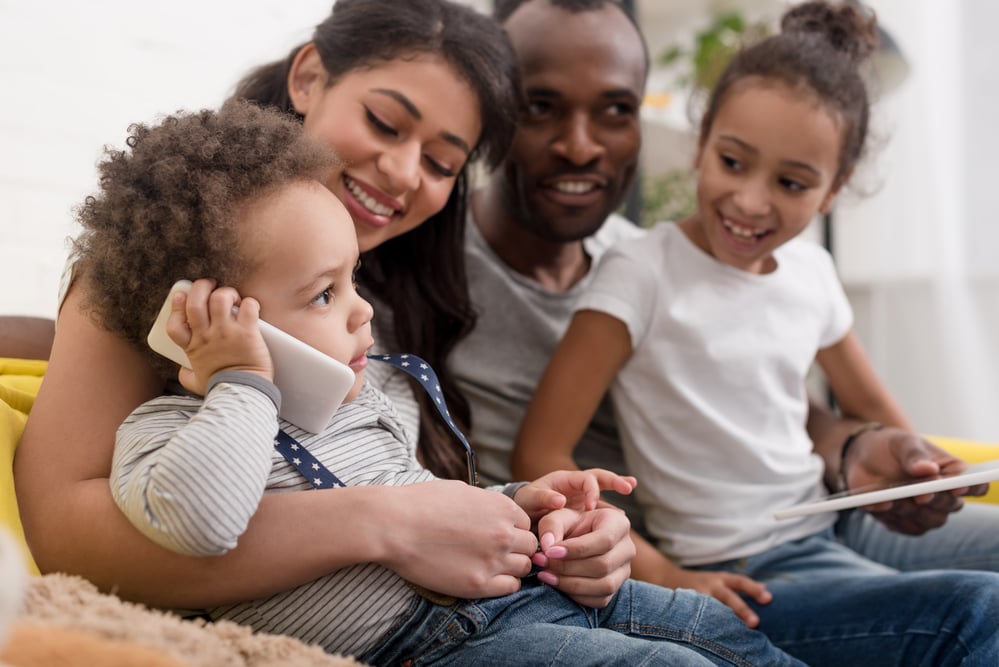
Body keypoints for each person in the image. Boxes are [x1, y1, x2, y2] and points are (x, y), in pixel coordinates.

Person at [78, 101, 804, 666]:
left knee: (709, 630)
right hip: (431, 647)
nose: (363, 308)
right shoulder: (163, 435)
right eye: (324, 294)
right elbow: (203, 520)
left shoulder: (371, 399)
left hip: (525, 601)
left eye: (351, 278)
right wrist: (241, 378)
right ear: (199, 318)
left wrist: (523, 506)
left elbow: (430, 509)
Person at [14, 0, 633, 630]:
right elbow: (67, 537)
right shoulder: (170, 268)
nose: (402, 172)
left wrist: (558, 531)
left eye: (442, 164)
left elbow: (421, 496)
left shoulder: (410, 286)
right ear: (309, 76)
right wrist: (386, 524)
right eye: (385, 122)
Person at [511, 1, 999, 664]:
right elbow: (541, 451)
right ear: (703, 136)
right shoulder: (640, 271)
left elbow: (877, 416)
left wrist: (925, 472)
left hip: (834, 519)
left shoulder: (810, 272)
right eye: (732, 162)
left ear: (833, 188)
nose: (748, 200)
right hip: (743, 562)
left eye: (791, 181)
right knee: (978, 610)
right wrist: (666, 575)